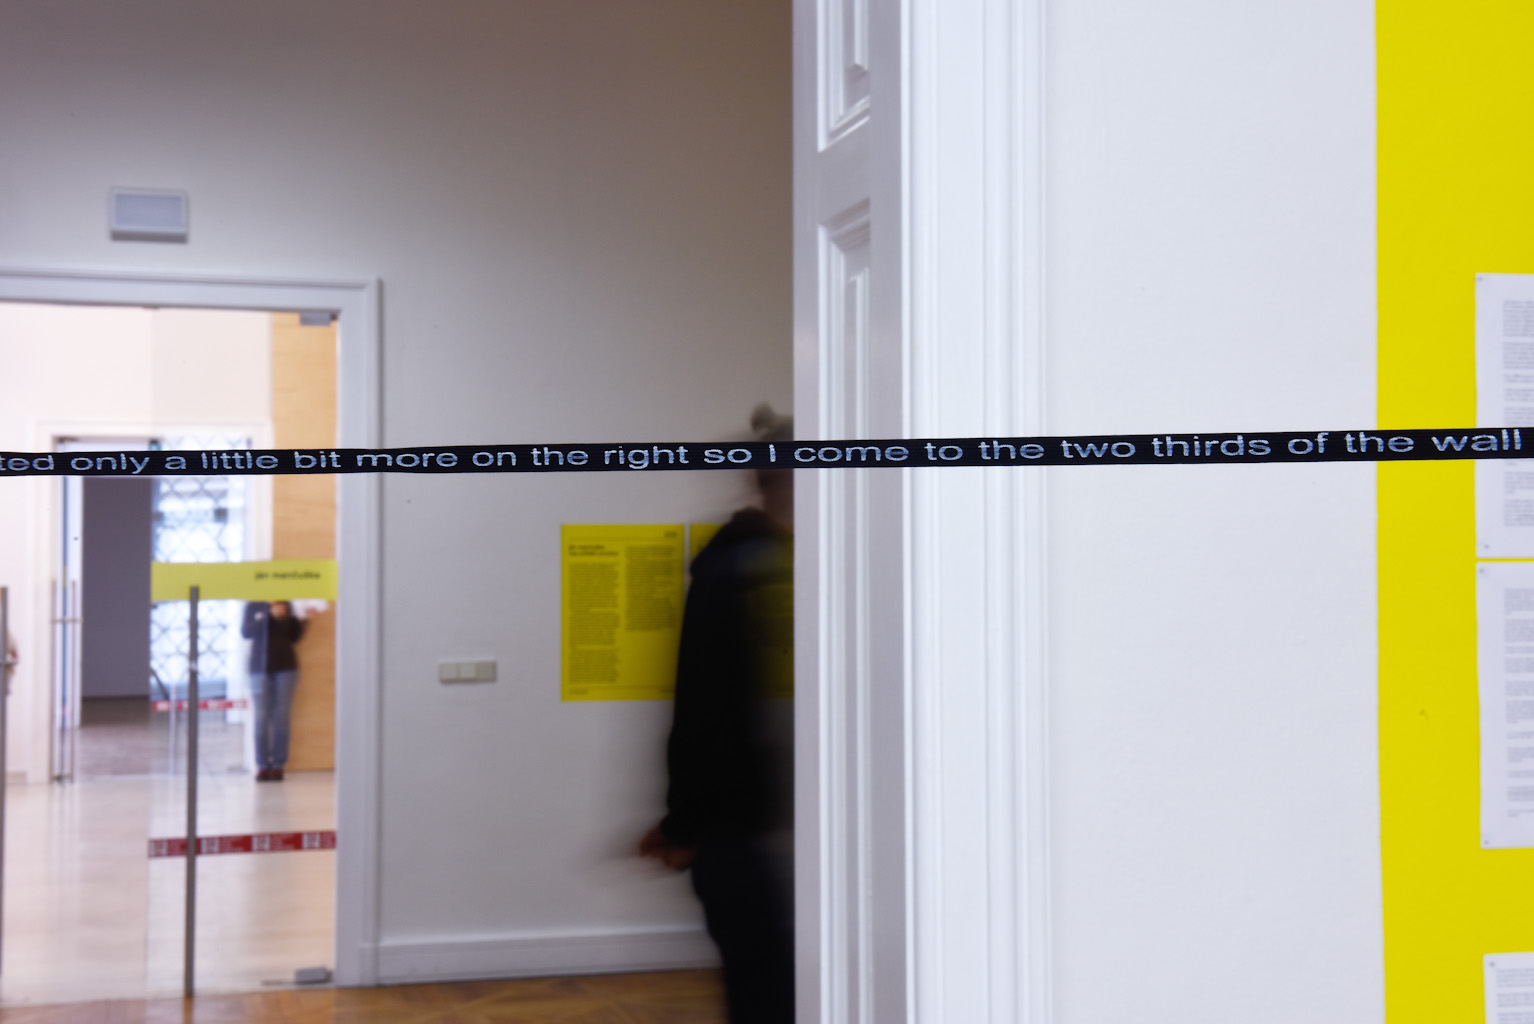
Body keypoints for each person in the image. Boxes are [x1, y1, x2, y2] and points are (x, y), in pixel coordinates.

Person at [640, 405, 795, 1024]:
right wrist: (684, 823)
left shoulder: (754, 565)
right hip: (753, 840)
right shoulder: (745, 569)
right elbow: (706, 709)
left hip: (765, 838)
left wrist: (682, 822)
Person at [242, 600, 306, 781]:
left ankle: (278, 764)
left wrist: (296, 619)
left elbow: (295, 636)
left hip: (286, 668)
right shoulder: (253, 605)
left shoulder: (287, 603)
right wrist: (269, 616)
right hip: (258, 669)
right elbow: (246, 632)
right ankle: (262, 764)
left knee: (281, 717)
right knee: (261, 717)